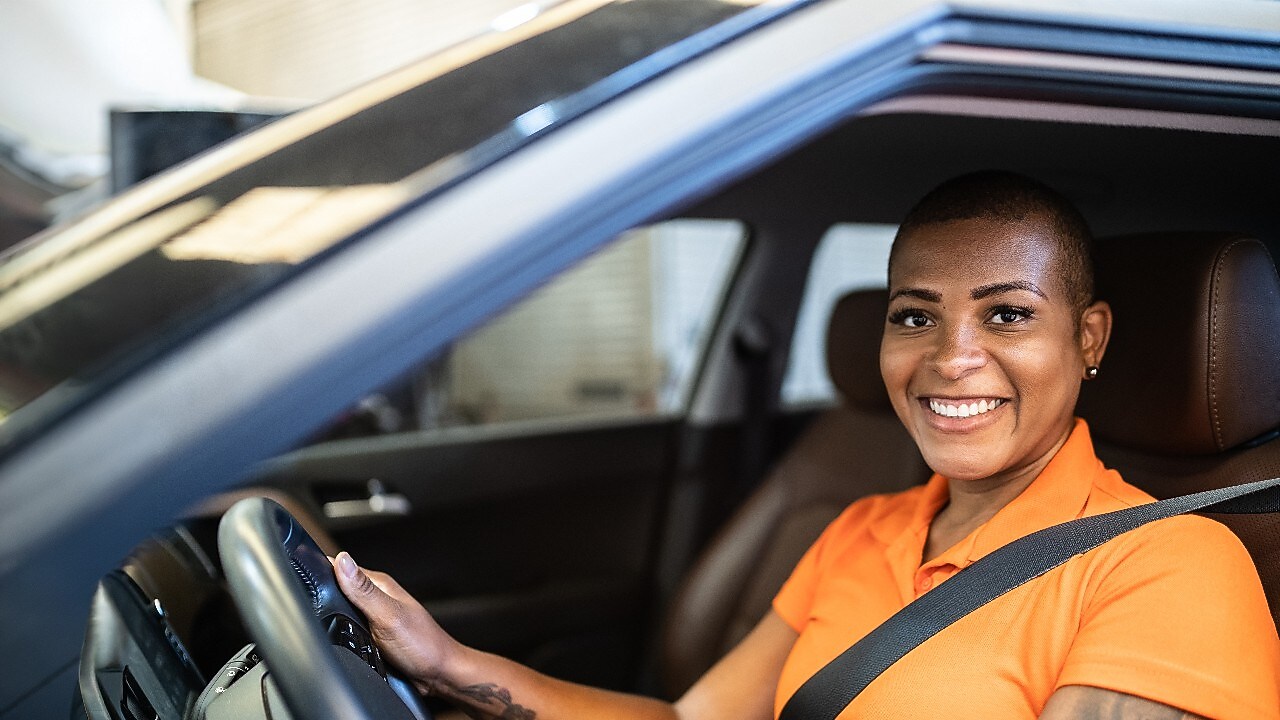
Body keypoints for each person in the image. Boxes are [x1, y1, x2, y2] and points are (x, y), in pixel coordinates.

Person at [332, 171, 1280, 719]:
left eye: (1008, 314)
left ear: (1090, 340)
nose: (953, 358)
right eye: (916, 316)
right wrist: (451, 665)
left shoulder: (1166, 566)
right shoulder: (865, 528)